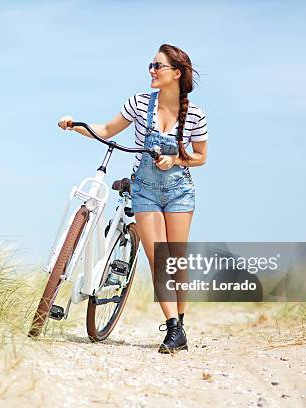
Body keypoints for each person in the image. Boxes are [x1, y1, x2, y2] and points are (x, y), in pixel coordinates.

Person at [57, 44, 208, 354]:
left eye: (158, 66)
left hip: (179, 190)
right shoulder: (139, 104)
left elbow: (201, 157)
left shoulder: (195, 114)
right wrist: (75, 126)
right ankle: (174, 328)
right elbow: (107, 129)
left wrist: (176, 159)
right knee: (159, 259)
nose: (151, 71)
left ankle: (180, 320)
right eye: (150, 65)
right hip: (145, 190)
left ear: (176, 73)